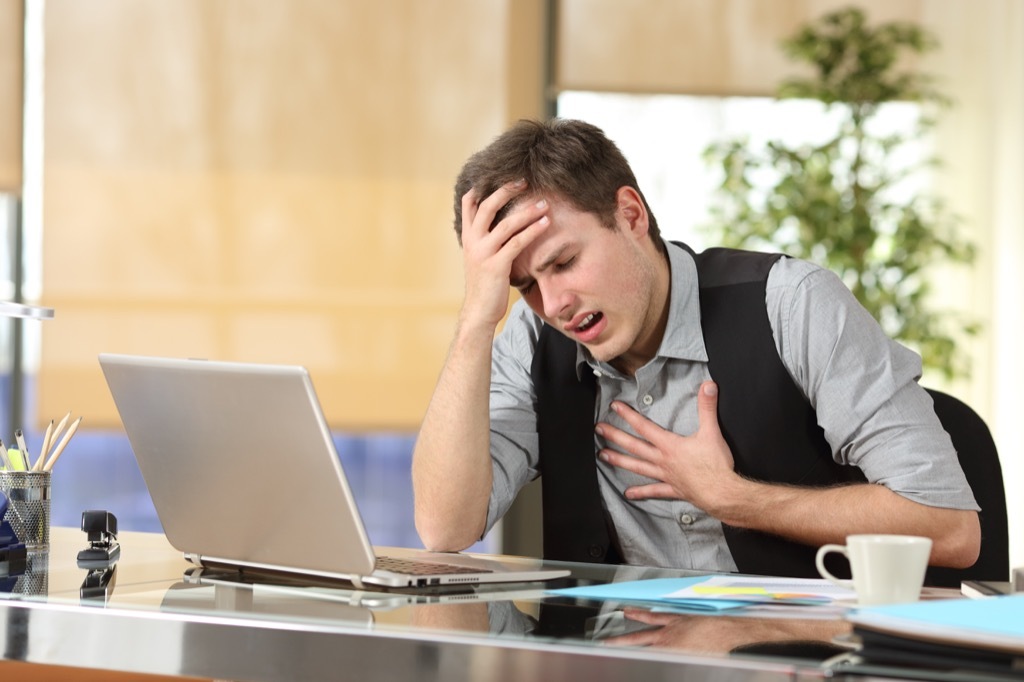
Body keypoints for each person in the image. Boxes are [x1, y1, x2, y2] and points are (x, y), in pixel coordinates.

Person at [412, 118, 981, 577]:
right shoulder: (531, 340)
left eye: (564, 262)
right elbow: (444, 530)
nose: (554, 302)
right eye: (525, 285)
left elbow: (950, 526)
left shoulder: (793, 303)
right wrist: (475, 322)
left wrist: (734, 498)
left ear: (630, 215)